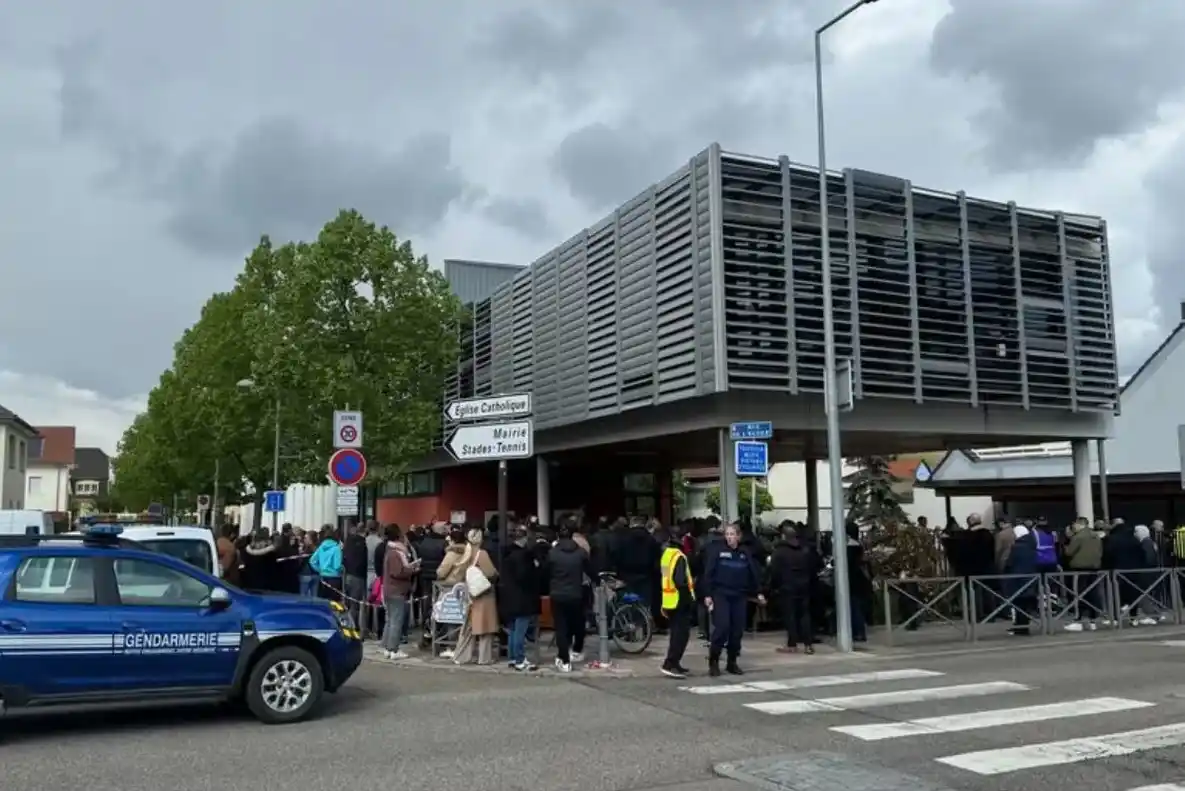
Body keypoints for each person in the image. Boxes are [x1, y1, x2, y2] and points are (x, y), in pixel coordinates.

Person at [702, 522, 764, 677]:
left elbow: (753, 574)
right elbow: (708, 574)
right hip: (721, 594)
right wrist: (707, 595)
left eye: (732, 534)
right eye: (727, 534)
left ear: (738, 536)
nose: (729, 537)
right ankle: (714, 660)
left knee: (737, 631)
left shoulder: (745, 553)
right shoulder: (717, 551)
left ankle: (732, 662)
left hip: (739, 595)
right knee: (722, 627)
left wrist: (759, 592)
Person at [548, 520, 592, 673]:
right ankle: (576, 651)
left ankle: (564, 659)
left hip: (558, 593)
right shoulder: (580, 553)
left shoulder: (553, 553)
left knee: (561, 627)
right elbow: (590, 569)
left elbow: (546, 572)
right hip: (576, 593)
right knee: (577, 623)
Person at [454, 528, 499, 666]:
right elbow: (491, 573)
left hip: (470, 594)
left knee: (468, 627)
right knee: (485, 627)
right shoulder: (482, 554)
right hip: (483, 594)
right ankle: (484, 658)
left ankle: (462, 656)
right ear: (480, 539)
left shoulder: (465, 553)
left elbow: (458, 574)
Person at [769, 525, 817, 654]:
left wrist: (773, 587)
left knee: (790, 615)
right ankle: (808, 644)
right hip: (804, 586)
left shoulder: (779, 552)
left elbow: (774, 571)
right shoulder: (804, 550)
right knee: (804, 615)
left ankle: (792, 644)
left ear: (783, 536)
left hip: (787, 587)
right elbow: (813, 568)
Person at [501, 524, 542, 671]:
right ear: (524, 538)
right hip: (522, 597)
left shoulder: (506, 554)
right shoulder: (524, 556)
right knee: (520, 629)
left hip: (509, 596)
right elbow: (524, 577)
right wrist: (535, 567)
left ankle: (512, 658)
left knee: (512, 629)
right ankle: (520, 659)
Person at [659, 523, 695, 679]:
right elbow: (680, 580)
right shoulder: (679, 557)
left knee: (676, 633)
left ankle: (675, 663)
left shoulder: (666, 554)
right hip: (680, 600)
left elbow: (666, 576)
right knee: (681, 635)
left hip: (669, 599)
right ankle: (670, 663)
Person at [381, 524, 419, 660]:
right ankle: (393, 649)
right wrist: (412, 569)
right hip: (397, 590)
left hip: (389, 589)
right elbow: (398, 572)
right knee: (396, 621)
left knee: (390, 620)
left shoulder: (389, 551)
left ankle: (386, 647)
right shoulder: (395, 553)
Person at [310, 526, 343, 601]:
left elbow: (312, 561)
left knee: (323, 600)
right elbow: (337, 565)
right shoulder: (336, 548)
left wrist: (319, 569)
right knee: (334, 601)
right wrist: (341, 569)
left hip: (323, 576)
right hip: (334, 577)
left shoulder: (321, 547)